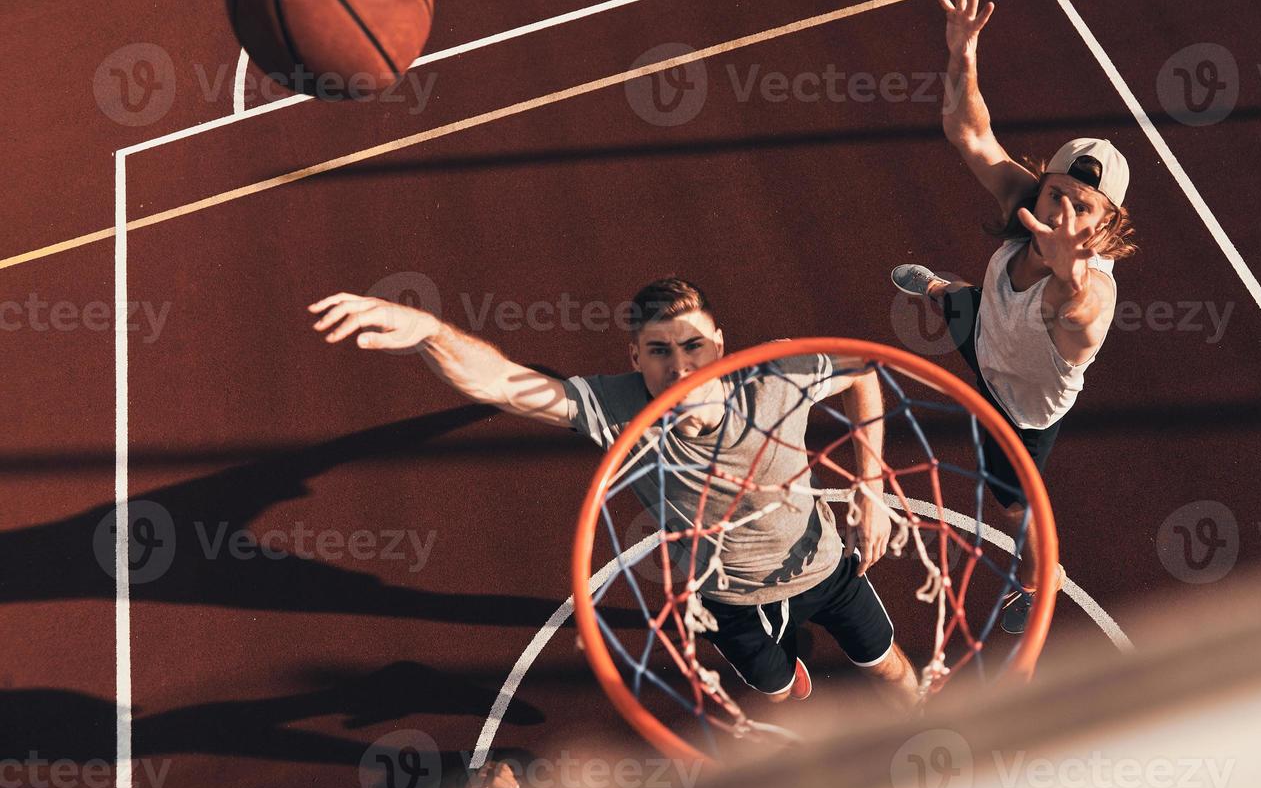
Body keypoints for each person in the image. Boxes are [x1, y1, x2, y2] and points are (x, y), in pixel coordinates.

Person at [309, 277, 919, 706]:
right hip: (721, 596)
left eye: (692, 346)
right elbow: (503, 384)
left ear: (720, 346)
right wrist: (428, 329)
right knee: (778, 690)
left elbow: (861, 371)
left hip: (823, 570)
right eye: (659, 352)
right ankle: (791, 683)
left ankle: (923, 733)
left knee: (890, 669)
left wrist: (870, 483)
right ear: (635, 358)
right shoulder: (618, 407)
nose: (679, 366)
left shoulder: (779, 373)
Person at [891, 0, 1138, 633]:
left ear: (1108, 226)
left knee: (1012, 499)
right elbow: (969, 133)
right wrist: (963, 56)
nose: (1062, 211)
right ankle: (945, 290)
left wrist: (1067, 279)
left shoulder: (1096, 293)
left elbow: (1076, 320)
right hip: (988, 329)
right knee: (958, 304)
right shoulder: (1025, 206)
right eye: (1057, 193)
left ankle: (1035, 578)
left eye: (1083, 208)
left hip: (1021, 407)